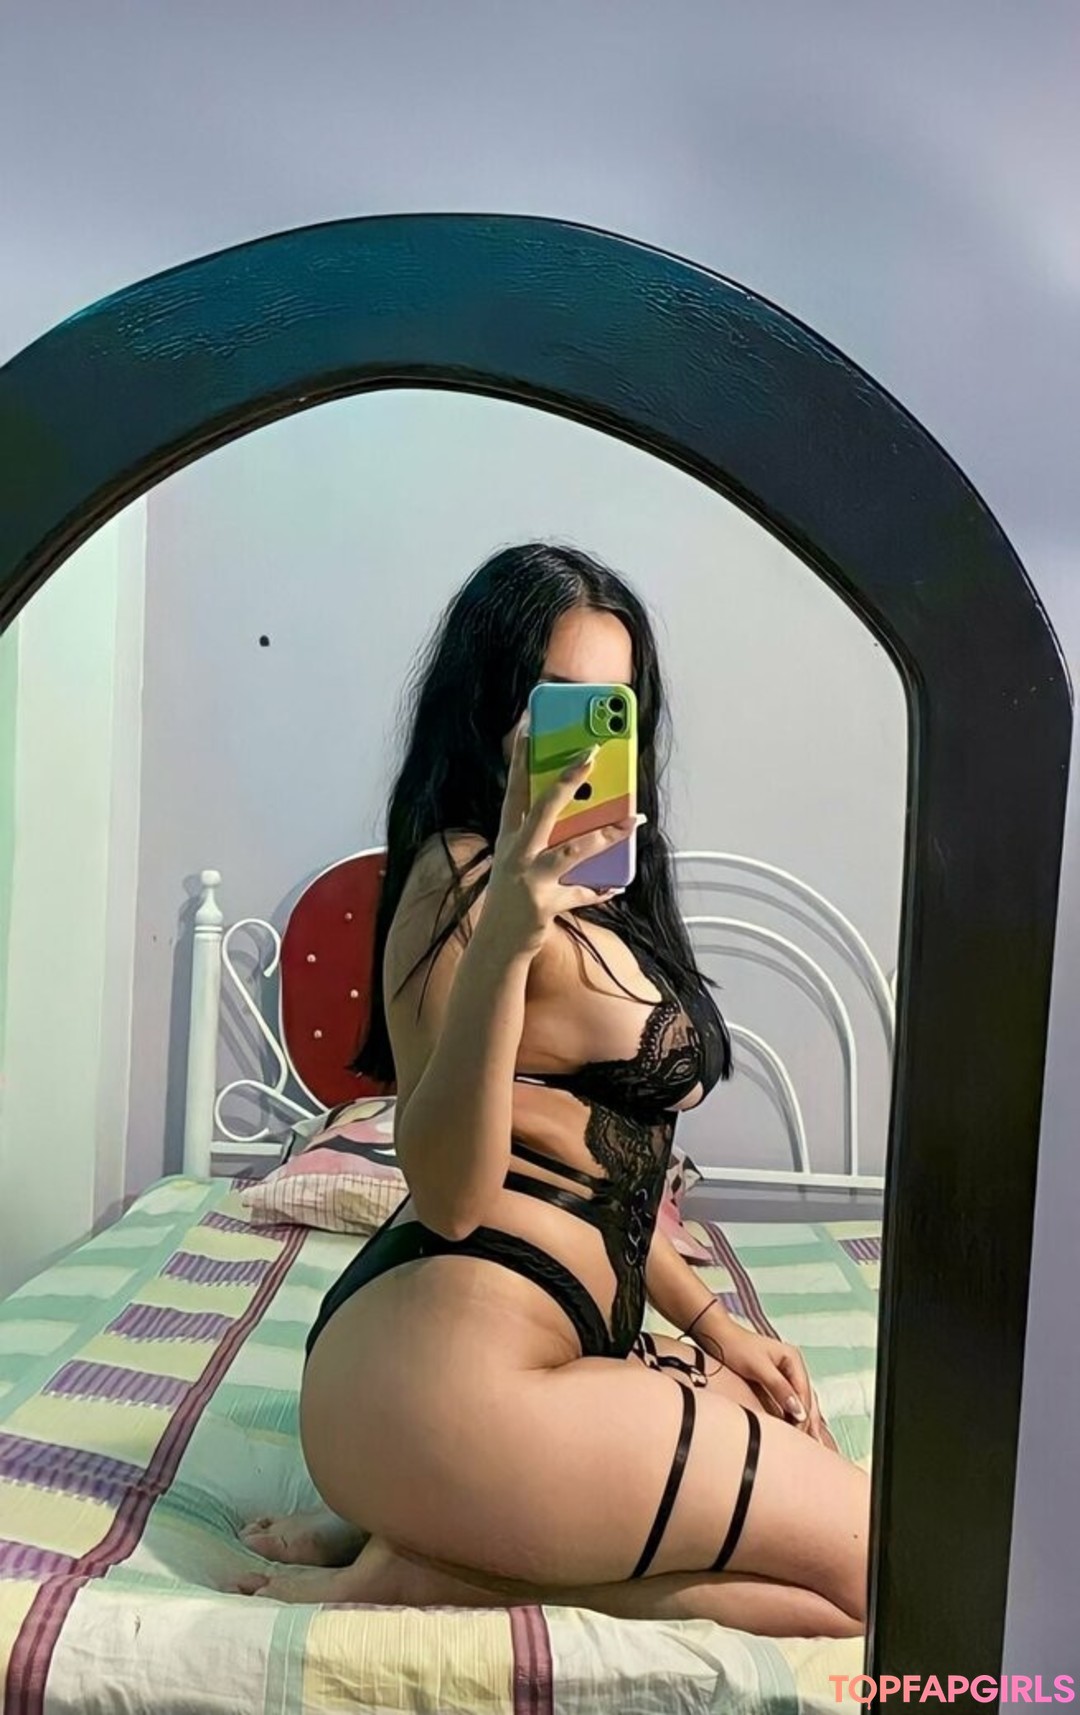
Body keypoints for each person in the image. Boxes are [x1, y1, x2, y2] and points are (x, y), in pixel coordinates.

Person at [233, 543, 870, 1638]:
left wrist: (718, 1325)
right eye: (560, 701)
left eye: (612, 707)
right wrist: (507, 936)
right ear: (493, 709)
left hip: (542, 1359)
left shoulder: (617, 897)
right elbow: (449, 1192)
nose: (588, 739)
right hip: (440, 1377)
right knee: (888, 1574)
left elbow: (598, 1167)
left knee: (819, 1515)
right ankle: (433, 1556)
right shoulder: (458, 876)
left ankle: (440, 1554)